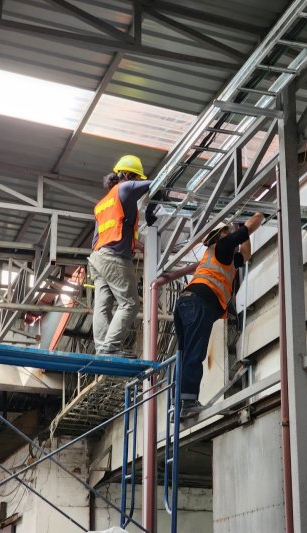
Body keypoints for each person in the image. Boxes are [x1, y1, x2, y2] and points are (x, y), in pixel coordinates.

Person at [173, 212, 264, 419]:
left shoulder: (226, 258)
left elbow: (246, 254)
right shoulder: (221, 247)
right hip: (198, 304)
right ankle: (187, 402)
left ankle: (178, 403)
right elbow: (247, 230)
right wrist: (258, 214)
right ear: (218, 236)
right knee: (194, 353)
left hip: (187, 304)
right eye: (226, 231)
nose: (230, 234)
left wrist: (243, 228)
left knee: (185, 354)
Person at [88, 155, 157, 356]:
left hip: (98, 256)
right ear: (126, 175)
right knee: (130, 303)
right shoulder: (125, 188)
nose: (136, 181)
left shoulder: (103, 203)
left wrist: (137, 244)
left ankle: (102, 347)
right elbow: (156, 183)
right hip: (113, 257)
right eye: (135, 177)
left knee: (103, 304)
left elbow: (103, 234)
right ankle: (110, 347)